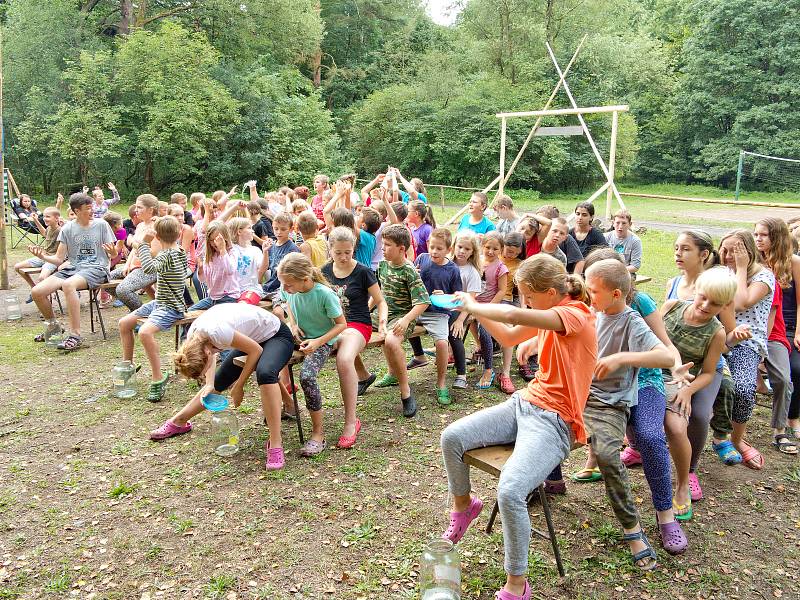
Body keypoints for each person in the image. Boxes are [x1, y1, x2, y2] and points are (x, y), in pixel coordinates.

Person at [441, 254, 596, 600]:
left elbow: (511, 314)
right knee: (452, 437)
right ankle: (464, 506)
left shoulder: (574, 314)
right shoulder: (551, 311)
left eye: (529, 295)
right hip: (524, 403)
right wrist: (478, 313)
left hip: (556, 422)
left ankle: (517, 584)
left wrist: (473, 303)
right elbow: (510, 336)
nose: (525, 301)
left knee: (511, 491)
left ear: (552, 292)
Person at [153, 303, 295, 470]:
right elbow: (212, 353)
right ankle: (179, 421)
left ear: (205, 355)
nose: (202, 375)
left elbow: (255, 351)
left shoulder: (218, 332)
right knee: (219, 380)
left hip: (276, 336)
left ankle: (275, 443)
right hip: (253, 339)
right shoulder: (194, 338)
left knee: (265, 373)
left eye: (202, 372)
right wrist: (209, 383)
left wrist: (239, 386)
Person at [661, 266, 748, 520]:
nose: (706, 305)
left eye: (716, 303)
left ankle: (687, 474)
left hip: (697, 376)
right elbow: (650, 336)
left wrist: (688, 390)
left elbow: (709, 373)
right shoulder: (672, 307)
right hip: (663, 371)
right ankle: (635, 446)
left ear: (725, 305)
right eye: (703, 297)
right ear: (696, 290)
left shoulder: (716, 332)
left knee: (698, 415)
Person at [711, 230, 775, 470]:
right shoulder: (718, 272)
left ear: (748, 252)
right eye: (724, 250)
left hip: (746, 342)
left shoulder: (764, 276)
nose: (728, 256)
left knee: (744, 389)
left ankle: (736, 439)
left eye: (735, 251)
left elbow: (740, 302)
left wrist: (740, 269)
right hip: (717, 337)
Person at [322, 227, 388, 447]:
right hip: (332, 325)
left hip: (358, 324)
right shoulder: (323, 271)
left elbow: (380, 301)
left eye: (348, 252)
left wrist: (382, 321)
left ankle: (351, 421)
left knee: (343, 359)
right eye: (338, 252)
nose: (343, 257)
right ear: (330, 249)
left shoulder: (363, 271)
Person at [277, 253, 347, 457]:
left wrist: (318, 342)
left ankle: (318, 433)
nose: (285, 288)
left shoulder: (324, 294)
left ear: (305, 279)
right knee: (266, 362)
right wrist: (293, 323)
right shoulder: (289, 289)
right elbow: (286, 300)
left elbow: (342, 324)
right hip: (300, 338)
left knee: (307, 376)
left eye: (289, 284)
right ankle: (287, 405)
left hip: (322, 340)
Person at [30, 193, 117, 351]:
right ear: (76, 211)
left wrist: (113, 252)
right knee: (37, 291)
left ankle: (76, 335)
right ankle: (54, 327)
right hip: (74, 267)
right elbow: (59, 259)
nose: (92, 211)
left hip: (97, 268)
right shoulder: (68, 228)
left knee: (68, 285)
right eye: (88, 208)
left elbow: (113, 254)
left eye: (92, 208)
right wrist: (43, 256)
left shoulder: (101, 225)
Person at [118, 216, 187, 401]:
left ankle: (158, 377)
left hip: (171, 306)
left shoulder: (169, 255)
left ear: (156, 236)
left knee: (145, 333)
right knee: (125, 323)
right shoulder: (179, 250)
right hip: (161, 302)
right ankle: (128, 365)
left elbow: (148, 268)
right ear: (179, 233)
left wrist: (143, 244)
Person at [371, 224, 431, 417]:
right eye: (383, 244)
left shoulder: (409, 271)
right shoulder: (382, 265)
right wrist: (366, 310)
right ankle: (377, 376)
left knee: (391, 340)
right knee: (350, 329)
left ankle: (405, 392)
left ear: (402, 249)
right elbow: (378, 293)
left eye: (388, 245)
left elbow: (423, 302)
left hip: (403, 316)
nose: (383, 248)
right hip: (383, 313)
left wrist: (406, 320)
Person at [753, 217, 797, 453]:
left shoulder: (790, 264)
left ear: (777, 237)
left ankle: (779, 431)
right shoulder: (752, 262)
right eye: (756, 234)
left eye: (763, 235)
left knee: (783, 380)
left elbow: (775, 311)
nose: (758, 239)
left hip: (775, 332)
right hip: (748, 330)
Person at [406, 228, 464, 406]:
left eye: (439, 248)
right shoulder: (422, 258)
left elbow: (458, 299)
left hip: (438, 313)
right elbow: (411, 280)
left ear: (448, 250)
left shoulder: (452, 269)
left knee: (441, 343)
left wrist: (444, 296)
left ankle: (441, 383)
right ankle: (394, 372)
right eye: (432, 247)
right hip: (417, 308)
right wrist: (412, 273)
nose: (434, 251)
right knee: (394, 331)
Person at [108, 194, 162, 312]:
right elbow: (134, 251)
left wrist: (133, 242)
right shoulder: (141, 225)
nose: (136, 210)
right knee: (105, 278)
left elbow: (154, 253)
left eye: (139, 207)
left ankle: (140, 314)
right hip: (135, 265)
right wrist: (127, 265)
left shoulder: (157, 226)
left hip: (148, 268)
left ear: (151, 209)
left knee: (123, 290)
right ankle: (140, 308)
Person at [472, 231, 509, 390]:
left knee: (485, 329)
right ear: (482, 246)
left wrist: (488, 308)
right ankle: (478, 346)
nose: (491, 251)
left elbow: (501, 291)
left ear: (501, 249)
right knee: (461, 320)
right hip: (473, 303)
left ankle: (488, 370)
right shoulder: (477, 262)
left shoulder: (501, 267)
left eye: (495, 249)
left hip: (491, 306)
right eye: (488, 247)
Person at [450, 230, 483, 389]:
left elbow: (470, 300)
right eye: (460, 246)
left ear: (472, 252)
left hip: (462, 309)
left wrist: (460, 320)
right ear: (454, 246)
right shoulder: (447, 263)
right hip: (444, 306)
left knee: (454, 332)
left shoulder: (472, 272)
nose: (462, 251)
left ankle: (461, 375)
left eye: (467, 249)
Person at [190, 218, 241, 311]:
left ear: (225, 237)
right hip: (212, 298)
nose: (215, 243)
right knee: (190, 312)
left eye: (218, 239)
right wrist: (201, 270)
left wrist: (222, 250)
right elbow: (203, 279)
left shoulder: (231, 252)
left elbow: (230, 270)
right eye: (212, 240)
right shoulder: (210, 255)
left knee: (214, 318)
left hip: (228, 297)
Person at [497, 232, 525, 393]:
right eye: (508, 250)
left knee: (508, 329)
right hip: (486, 299)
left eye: (515, 252)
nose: (510, 254)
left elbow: (521, 289)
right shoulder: (493, 254)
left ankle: (506, 373)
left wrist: (523, 307)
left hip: (506, 300)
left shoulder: (520, 264)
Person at [14, 207, 62, 301]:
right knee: (17, 267)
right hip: (42, 257)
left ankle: (46, 298)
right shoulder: (49, 228)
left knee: (42, 277)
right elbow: (44, 233)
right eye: (44, 216)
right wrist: (36, 220)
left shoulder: (61, 231)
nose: (44, 218)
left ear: (56, 218)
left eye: (48, 216)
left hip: (53, 259)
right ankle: (34, 289)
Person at [263, 213, 300, 295]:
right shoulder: (271, 246)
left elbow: (294, 275)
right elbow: (265, 268)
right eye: (276, 229)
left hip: (283, 289)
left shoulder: (292, 249)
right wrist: (265, 252)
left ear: (291, 229)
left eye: (283, 229)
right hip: (269, 286)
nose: (279, 232)